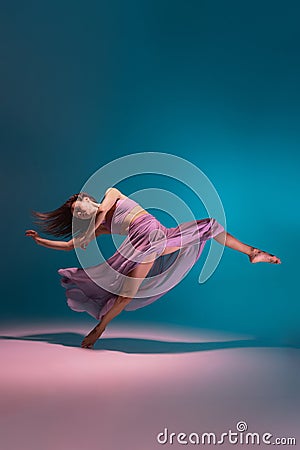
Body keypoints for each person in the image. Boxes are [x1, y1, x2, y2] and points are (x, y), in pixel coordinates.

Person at [25, 187, 281, 349]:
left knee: (211, 225)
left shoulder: (111, 194)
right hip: (143, 249)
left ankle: (253, 252)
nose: (80, 212)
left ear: (85, 198)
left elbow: (102, 209)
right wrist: (40, 241)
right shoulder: (100, 227)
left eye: (78, 206)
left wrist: (90, 227)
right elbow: (70, 245)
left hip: (161, 237)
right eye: (76, 213)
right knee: (125, 295)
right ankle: (99, 329)